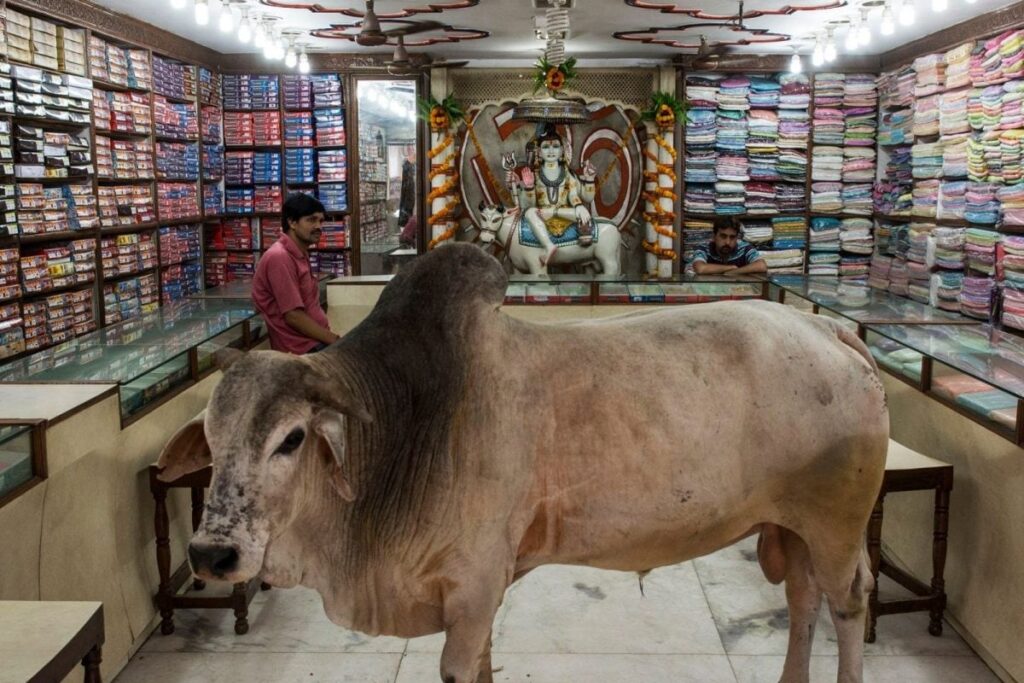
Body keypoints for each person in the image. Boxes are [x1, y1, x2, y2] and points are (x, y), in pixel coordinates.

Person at [252, 193, 339, 354]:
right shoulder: (279, 257)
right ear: (292, 222)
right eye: (311, 220)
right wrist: (335, 340)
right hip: (302, 350)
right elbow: (293, 316)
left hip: (315, 342)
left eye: (321, 221)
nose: (319, 226)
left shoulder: (299, 253)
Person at [506, 123, 597, 265]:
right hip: (542, 219)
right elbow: (526, 206)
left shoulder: (568, 174)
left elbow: (586, 197)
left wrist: (590, 180)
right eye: (546, 147)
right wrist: (529, 187)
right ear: (539, 152)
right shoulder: (534, 175)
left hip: (567, 216)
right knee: (530, 213)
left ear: (562, 150)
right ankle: (549, 246)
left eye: (555, 146)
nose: (551, 151)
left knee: (583, 213)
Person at [691, 221, 768, 275]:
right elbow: (700, 268)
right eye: (723, 236)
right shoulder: (703, 248)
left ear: (737, 238)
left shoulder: (744, 248)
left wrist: (734, 272)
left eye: (732, 237)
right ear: (714, 237)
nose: (727, 242)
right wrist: (730, 267)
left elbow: (761, 266)